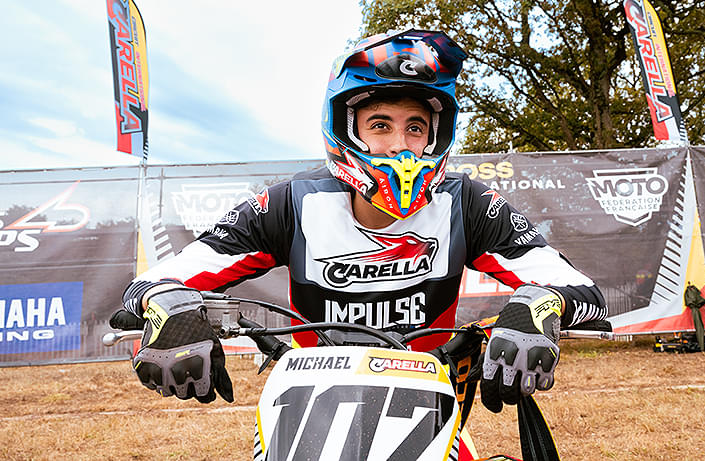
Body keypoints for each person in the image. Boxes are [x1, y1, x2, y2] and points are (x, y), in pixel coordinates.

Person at [118, 30, 607, 427]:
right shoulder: (291, 203)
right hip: (308, 409)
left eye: (415, 127)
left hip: (430, 411)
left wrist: (539, 306)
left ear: (435, 135)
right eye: (380, 125)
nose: (400, 144)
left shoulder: (466, 203)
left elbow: (579, 287)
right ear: (346, 129)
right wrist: (170, 310)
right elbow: (163, 278)